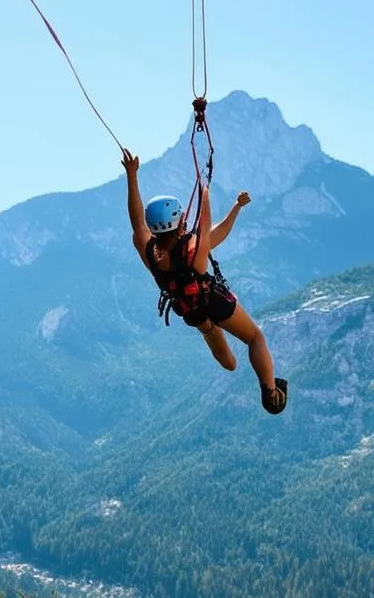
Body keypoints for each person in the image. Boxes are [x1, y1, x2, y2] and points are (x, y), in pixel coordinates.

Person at [122, 148, 288, 414]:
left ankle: (227, 358)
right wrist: (209, 193)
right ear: (179, 220)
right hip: (215, 303)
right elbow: (213, 228)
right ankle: (270, 392)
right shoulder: (192, 250)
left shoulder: (149, 252)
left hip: (189, 310)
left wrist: (132, 176)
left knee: (229, 362)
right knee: (256, 338)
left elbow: (136, 221)